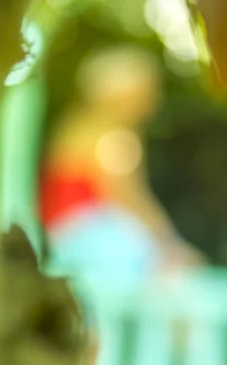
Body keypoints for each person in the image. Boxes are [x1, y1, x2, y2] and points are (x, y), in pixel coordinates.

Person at [39, 44, 202, 285]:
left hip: (62, 235)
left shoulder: (75, 126)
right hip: (89, 238)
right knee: (171, 271)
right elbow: (127, 196)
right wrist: (169, 242)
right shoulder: (114, 136)